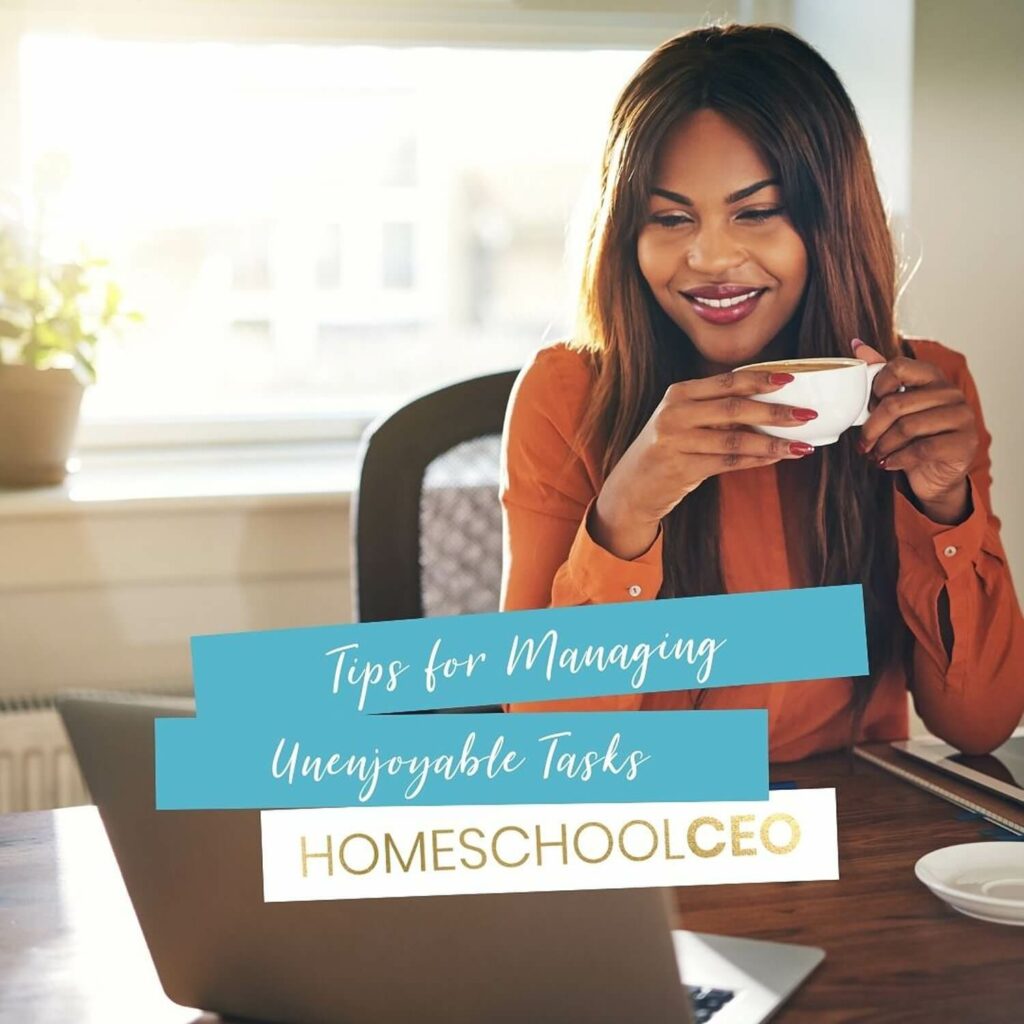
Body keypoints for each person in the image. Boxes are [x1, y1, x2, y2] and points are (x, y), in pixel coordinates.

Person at [499, 23, 1024, 760]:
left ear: (830, 222)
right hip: (648, 838)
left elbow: (980, 724)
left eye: (756, 212)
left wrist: (944, 506)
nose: (709, 256)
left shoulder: (921, 393)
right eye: (670, 218)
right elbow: (546, 744)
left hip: (850, 837)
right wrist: (627, 511)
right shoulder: (565, 396)